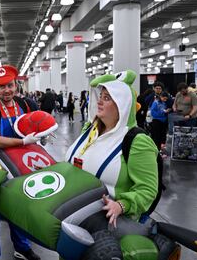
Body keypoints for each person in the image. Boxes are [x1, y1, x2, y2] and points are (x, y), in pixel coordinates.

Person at [65, 71, 160, 257]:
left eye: (107, 98)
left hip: (106, 225)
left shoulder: (137, 141)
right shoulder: (90, 129)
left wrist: (121, 205)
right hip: (74, 217)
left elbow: (148, 189)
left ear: (122, 105)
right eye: (100, 96)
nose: (100, 101)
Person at [0, 65, 41, 260]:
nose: (7, 90)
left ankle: (22, 247)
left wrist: (42, 136)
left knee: (19, 207)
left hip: (19, 165)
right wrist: (23, 141)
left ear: (16, 85)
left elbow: (37, 126)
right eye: (2, 86)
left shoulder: (26, 105)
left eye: (10, 85)